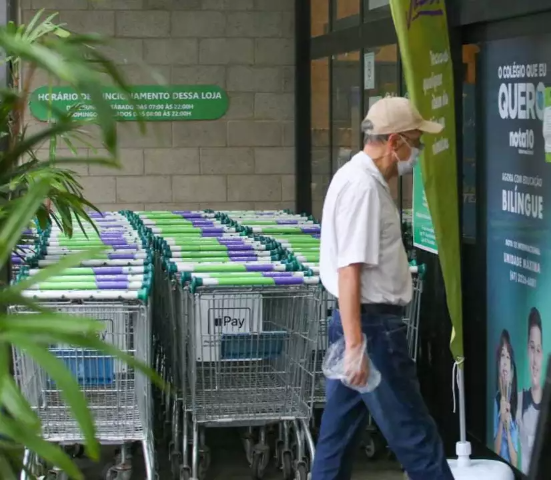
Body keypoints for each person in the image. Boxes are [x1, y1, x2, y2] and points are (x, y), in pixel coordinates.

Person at [313, 97, 453, 480]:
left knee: (337, 440)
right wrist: (357, 346)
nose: (418, 152)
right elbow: (349, 271)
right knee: (416, 435)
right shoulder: (364, 189)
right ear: (394, 142)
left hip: (360, 327)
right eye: (415, 141)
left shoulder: (356, 178)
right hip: (372, 330)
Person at [517, 308, 543, 473]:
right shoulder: (519, 399)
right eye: (531, 348)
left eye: (539, 350)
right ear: (527, 350)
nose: (535, 360)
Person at [493, 329, 519, 466]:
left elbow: (515, 462)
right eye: (502, 356)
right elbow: (495, 451)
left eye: (508, 357)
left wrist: (508, 428)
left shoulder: (516, 402)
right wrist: (501, 422)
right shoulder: (497, 399)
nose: (504, 361)